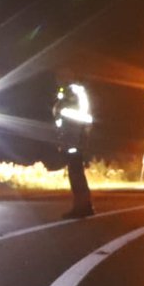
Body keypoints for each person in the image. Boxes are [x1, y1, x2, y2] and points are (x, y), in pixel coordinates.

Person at [53, 78, 95, 218]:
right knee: (76, 174)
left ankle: (81, 207)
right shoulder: (70, 92)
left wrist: (61, 109)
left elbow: (80, 116)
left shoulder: (75, 91)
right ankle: (84, 206)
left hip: (75, 142)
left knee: (76, 175)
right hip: (72, 141)